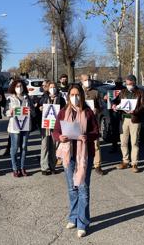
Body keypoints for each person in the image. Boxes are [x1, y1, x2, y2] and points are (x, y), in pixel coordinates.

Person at [53, 84, 99, 238]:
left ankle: (82, 223)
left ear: (82, 96)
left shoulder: (88, 112)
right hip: (69, 154)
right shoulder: (62, 112)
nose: (75, 97)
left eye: (77, 94)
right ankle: (73, 217)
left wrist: (87, 136)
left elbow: (96, 132)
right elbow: (56, 131)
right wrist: (60, 137)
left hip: (85, 155)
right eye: (72, 94)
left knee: (83, 188)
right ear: (68, 97)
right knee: (72, 188)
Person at [112, 74, 144, 173]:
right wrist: (114, 104)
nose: (128, 85)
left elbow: (143, 106)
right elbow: (116, 100)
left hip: (135, 119)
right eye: (126, 84)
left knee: (134, 142)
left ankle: (134, 163)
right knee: (123, 142)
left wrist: (134, 111)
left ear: (134, 83)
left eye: (130, 84)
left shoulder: (141, 92)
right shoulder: (123, 92)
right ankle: (125, 161)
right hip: (124, 120)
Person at [6, 79, 36, 177]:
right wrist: (9, 112)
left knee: (24, 147)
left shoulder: (28, 98)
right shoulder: (10, 98)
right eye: (17, 86)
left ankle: (22, 168)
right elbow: (5, 112)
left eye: (21, 86)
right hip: (14, 128)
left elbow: (34, 113)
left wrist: (30, 110)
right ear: (14, 87)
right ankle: (15, 169)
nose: (19, 88)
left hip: (26, 126)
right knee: (14, 148)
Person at [39, 80, 66, 175]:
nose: (52, 89)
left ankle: (52, 166)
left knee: (54, 146)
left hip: (55, 126)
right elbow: (38, 108)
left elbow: (64, 111)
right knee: (45, 146)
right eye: (50, 87)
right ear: (47, 88)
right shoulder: (43, 97)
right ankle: (44, 167)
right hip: (45, 127)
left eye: (54, 87)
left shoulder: (61, 99)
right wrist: (40, 109)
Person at [80, 74, 104, 175]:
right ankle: (82, 165)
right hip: (80, 122)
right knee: (81, 145)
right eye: (85, 80)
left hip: (93, 122)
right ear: (81, 81)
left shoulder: (96, 92)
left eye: (89, 80)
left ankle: (97, 165)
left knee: (96, 145)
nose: (87, 81)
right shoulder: (78, 92)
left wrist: (97, 109)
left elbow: (101, 105)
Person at [103, 77, 125, 153]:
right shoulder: (112, 90)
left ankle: (124, 147)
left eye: (119, 82)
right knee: (114, 130)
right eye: (117, 82)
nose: (118, 83)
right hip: (113, 113)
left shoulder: (124, 89)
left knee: (123, 131)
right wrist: (105, 99)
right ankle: (114, 146)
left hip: (123, 112)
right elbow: (108, 100)